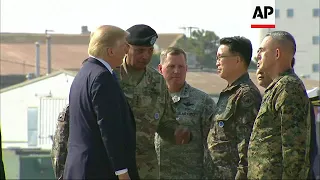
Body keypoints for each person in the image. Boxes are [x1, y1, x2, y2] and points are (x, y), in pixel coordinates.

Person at [113, 24, 192, 179]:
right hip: (114, 166)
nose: (145, 56)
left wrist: (177, 133)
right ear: (126, 48)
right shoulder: (110, 76)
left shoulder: (157, 81)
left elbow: (166, 122)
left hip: (145, 170)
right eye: (140, 50)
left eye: (150, 51)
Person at [63, 25, 139, 180]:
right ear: (110, 51)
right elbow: (109, 128)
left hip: (80, 168)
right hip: (98, 170)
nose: (127, 51)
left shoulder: (83, 74)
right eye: (124, 46)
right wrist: (121, 171)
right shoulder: (102, 78)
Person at [248, 31, 311, 179]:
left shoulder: (288, 87)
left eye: (262, 51)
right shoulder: (276, 87)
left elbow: (294, 148)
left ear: (277, 53)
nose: (258, 55)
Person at [155, 47, 216, 179]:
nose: (176, 71)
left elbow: (214, 145)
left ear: (186, 69)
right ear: (160, 69)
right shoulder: (149, 99)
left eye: (181, 67)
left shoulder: (203, 102)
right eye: (171, 66)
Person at [206, 36, 262, 180]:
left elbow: (247, 146)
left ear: (237, 60)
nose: (217, 62)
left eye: (220, 57)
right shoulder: (230, 92)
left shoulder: (246, 95)